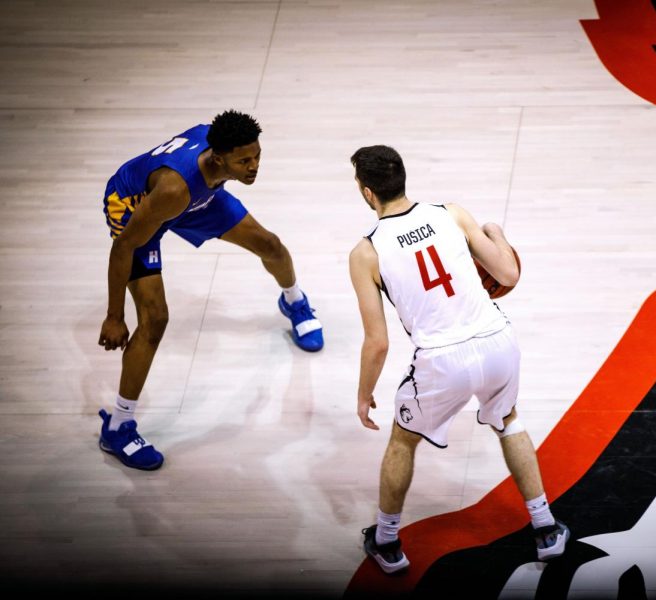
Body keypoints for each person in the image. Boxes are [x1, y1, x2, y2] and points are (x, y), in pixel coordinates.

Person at [348, 145, 569, 574]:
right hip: (497, 341)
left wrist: (363, 394)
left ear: (368, 193)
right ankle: (546, 527)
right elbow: (508, 276)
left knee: (402, 440)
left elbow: (377, 342)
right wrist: (496, 233)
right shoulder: (450, 213)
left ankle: (388, 541)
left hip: (441, 361)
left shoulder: (366, 253)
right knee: (510, 422)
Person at [97, 110, 324, 471]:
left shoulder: (215, 143)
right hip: (137, 208)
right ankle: (119, 427)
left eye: (257, 156)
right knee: (155, 320)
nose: (254, 166)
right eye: (245, 160)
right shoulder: (174, 189)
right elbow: (123, 247)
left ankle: (294, 302)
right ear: (219, 158)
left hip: (196, 197)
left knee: (270, 244)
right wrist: (113, 316)